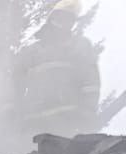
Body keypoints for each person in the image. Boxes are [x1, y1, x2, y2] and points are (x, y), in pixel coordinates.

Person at [13, 0, 101, 138]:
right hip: (34, 125)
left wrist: (88, 111)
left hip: (67, 124)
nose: (65, 23)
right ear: (52, 18)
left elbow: (91, 83)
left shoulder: (80, 46)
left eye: (70, 19)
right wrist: (14, 116)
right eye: (62, 17)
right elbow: (16, 85)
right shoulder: (31, 52)